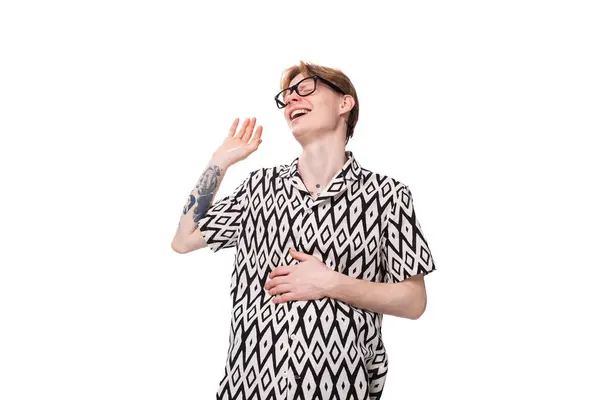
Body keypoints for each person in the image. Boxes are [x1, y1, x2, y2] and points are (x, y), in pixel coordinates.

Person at [171, 61, 437, 400]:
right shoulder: (259, 187)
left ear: (345, 103)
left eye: (305, 87)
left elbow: (414, 301)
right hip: (247, 388)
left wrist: (330, 282)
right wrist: (220, 162)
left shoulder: (387, 195)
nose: (292, 99)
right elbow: (184, 239)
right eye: (286, 95)